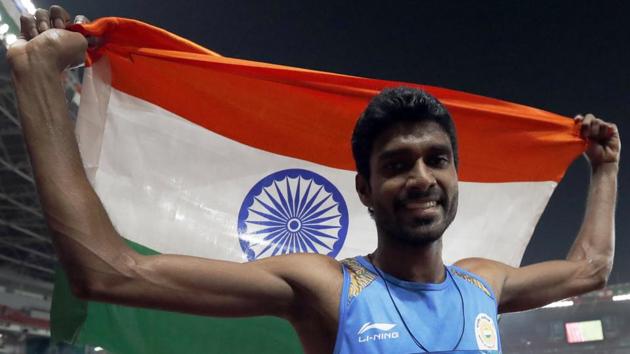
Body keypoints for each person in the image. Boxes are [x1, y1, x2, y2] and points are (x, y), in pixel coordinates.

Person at [7, 5, 620, 354]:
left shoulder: (485, 282)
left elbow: (590, 269)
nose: (422, 178)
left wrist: (605, 168)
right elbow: (109, 271)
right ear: (364, 190)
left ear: (457, 176)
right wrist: (39, 82)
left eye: (437, 159)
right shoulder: (326, 288)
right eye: (396, 165)